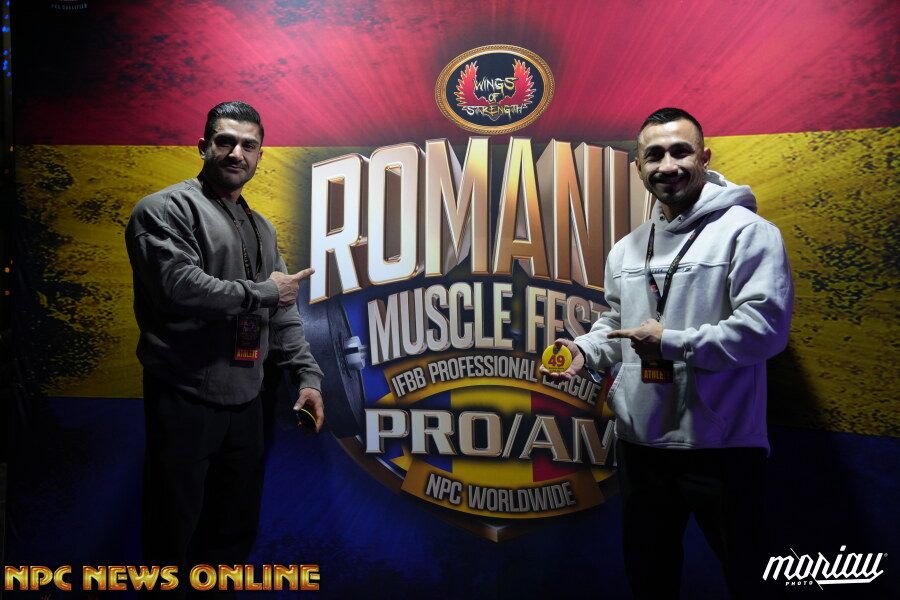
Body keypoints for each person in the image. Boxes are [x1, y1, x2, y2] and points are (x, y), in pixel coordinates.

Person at [544, 107, 793, 598]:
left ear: (704, 156)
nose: (668, 165)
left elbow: (765, 331)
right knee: (649, 580)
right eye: (654, 155)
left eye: (680, 151)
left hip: (721, 446)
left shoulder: (748, 232)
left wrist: (671, 342)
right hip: (641, 445)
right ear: (639, 166)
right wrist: (584, 351)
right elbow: (617, 324)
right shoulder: (628, 248)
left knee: (751, 579)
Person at [125, 101, 324, 595]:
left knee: (232, 532)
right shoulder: (164, 209)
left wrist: (307, 377)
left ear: (259, 156)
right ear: (203, 146)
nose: (237, 153)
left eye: (248, 145)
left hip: (247, 400)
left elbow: (283, 312)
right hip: (183, 394)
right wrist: (264, 292)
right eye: (225, 141)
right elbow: (178, 287)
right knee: (170, 533)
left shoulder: (261, 227)